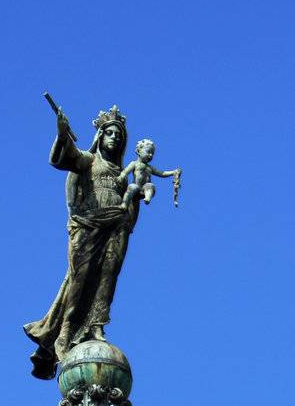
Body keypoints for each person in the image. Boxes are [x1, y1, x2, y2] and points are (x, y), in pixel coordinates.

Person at [24, 104, 138, 379]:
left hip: (116, 226)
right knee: (81, 277)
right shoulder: (89, 160)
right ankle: (63, 332)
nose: (114, 138)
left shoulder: (122, 173)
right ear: (100, 136)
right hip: (87, 226)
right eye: (109, 133)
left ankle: (97, 325)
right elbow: (64, 159)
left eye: (118, 136)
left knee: (107, 277)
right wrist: (62, 134)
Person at [119, 139, 181, 211]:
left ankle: (147, 198)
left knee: (150, 186)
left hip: (145, 187)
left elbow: (162, 173)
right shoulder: (134, 163)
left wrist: (173, 172)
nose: (150, 155)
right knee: (131, 187)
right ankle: (124, 204)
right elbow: (126, 171)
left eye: (152, 153)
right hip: (136, 185)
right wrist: (121, 177)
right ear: (139, 151)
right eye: (148, 152)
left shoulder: (150, 167)